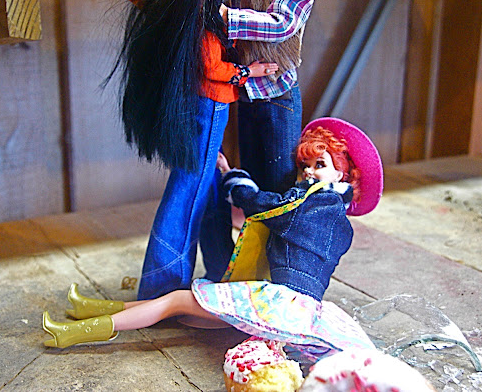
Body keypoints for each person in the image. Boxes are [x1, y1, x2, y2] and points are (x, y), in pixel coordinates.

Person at [42, 118, 383, 360]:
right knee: (180, 308)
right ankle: (91, 311)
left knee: (175, 302)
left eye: (319, 164)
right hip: (293, 309)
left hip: (281, 306)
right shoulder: (337, 220)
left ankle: (74, 333)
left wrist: (230, 176)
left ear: (343, 174)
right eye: (303, 166)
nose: (307, 172)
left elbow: (259, 203)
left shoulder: (313, 205)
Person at [107, 0, 278, 300]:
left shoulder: (188, 9)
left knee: (208, 185)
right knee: (191, 187)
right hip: (210, 104)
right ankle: (164, 284)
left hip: (206, 104)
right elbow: (212, 68)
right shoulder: (199, 18)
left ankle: (219, 267)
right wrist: (248, 71)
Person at [221, 0, 317, 194]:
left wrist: (226, 16)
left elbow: (281, 25)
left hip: (278, 93)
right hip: (245, 93)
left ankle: (276, 218)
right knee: (251, 176)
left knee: (280, 181)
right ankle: (252, 216)